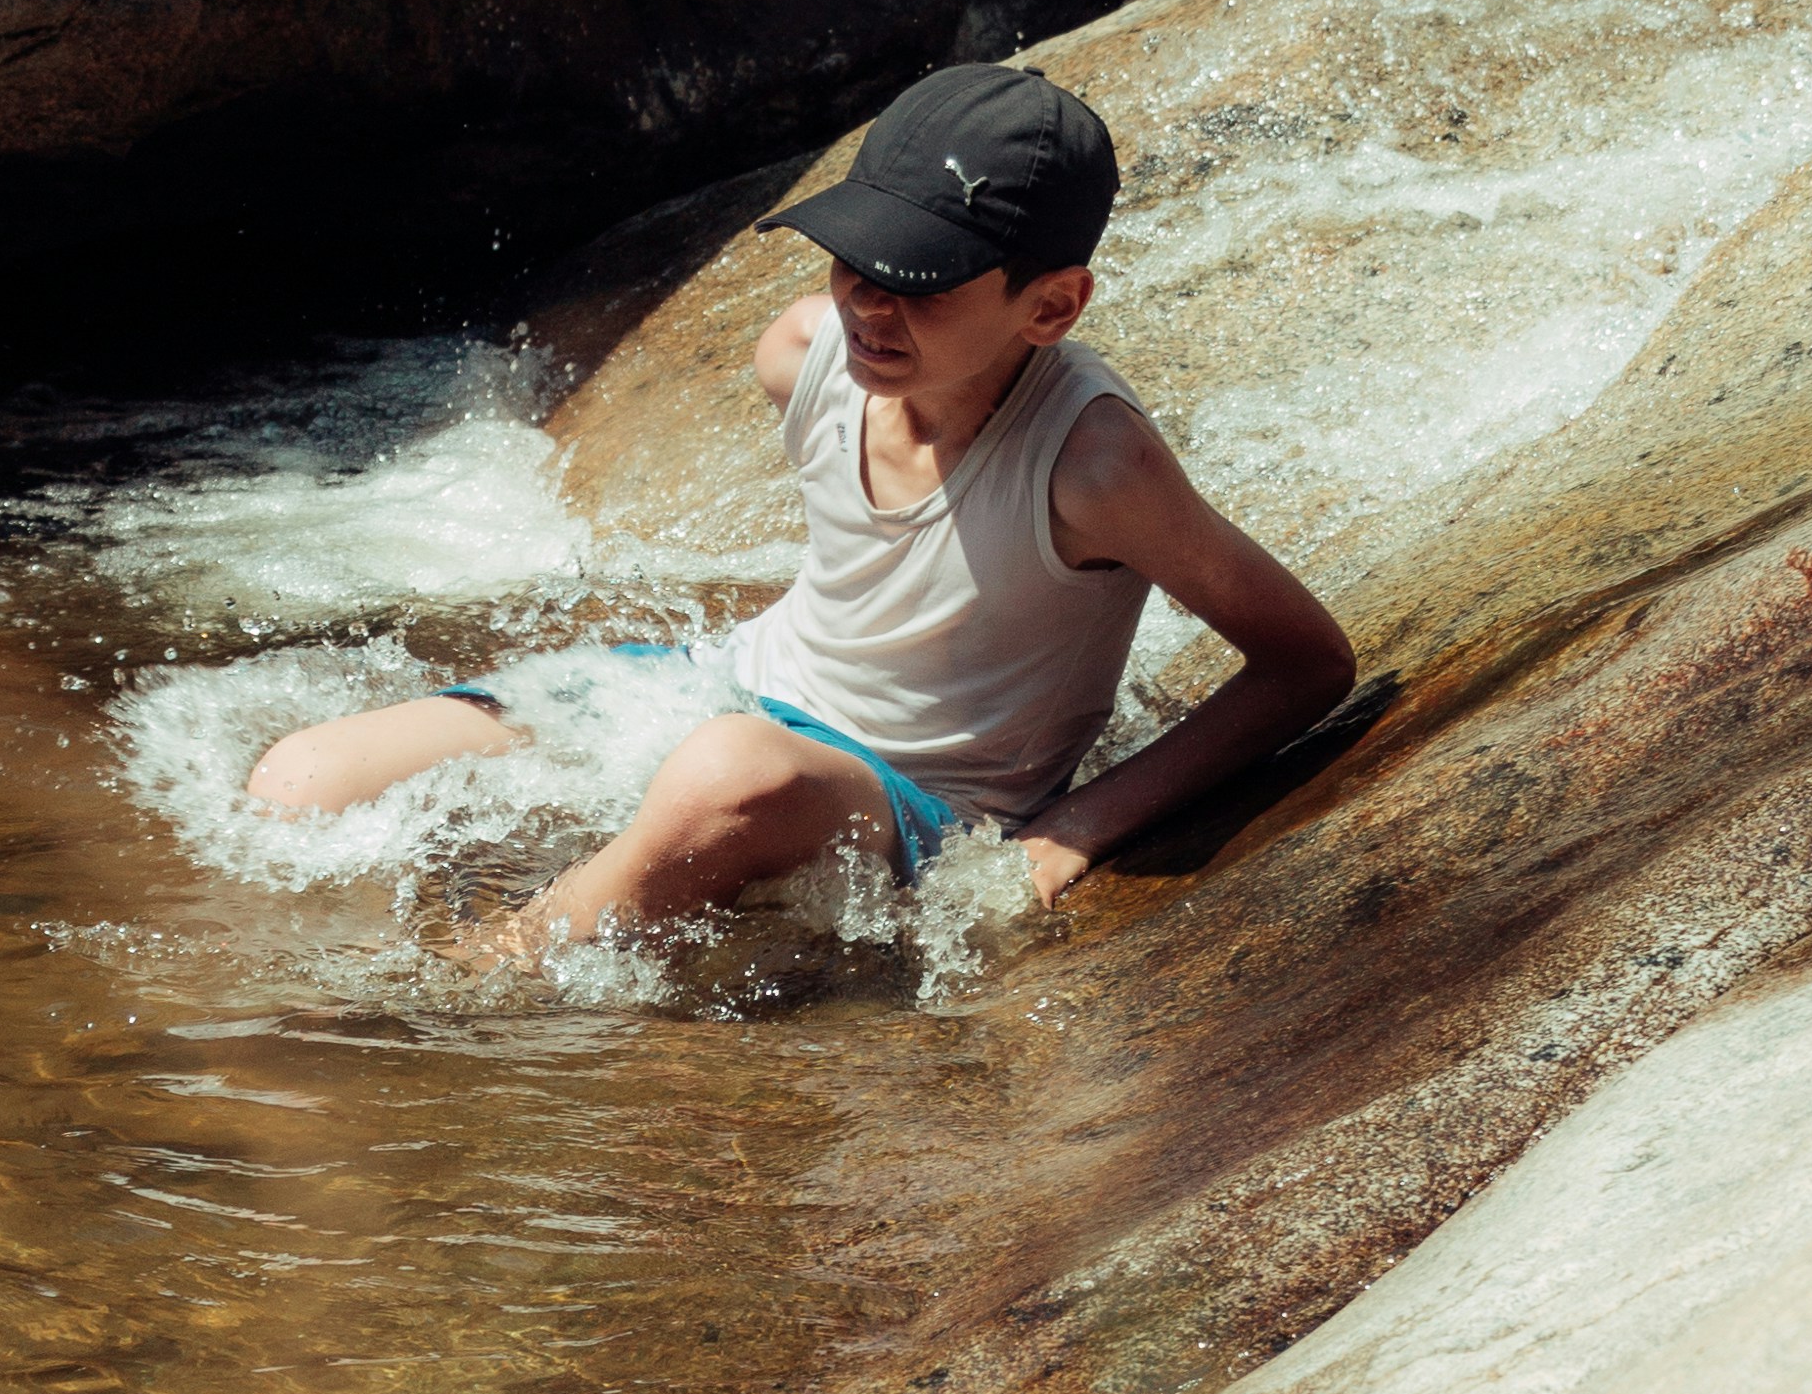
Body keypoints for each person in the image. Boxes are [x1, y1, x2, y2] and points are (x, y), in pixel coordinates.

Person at [245, 60, 1354, 961]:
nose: (869, 303)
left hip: (905, 787)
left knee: (731, 773)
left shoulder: (1091, 467)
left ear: (1051, 305)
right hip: (734, 681)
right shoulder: (807, 351)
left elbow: (1306, 664)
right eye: (853, 260)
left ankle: (496, 969)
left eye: (918, 278)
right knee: (298, 782)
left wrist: (1078, 825)